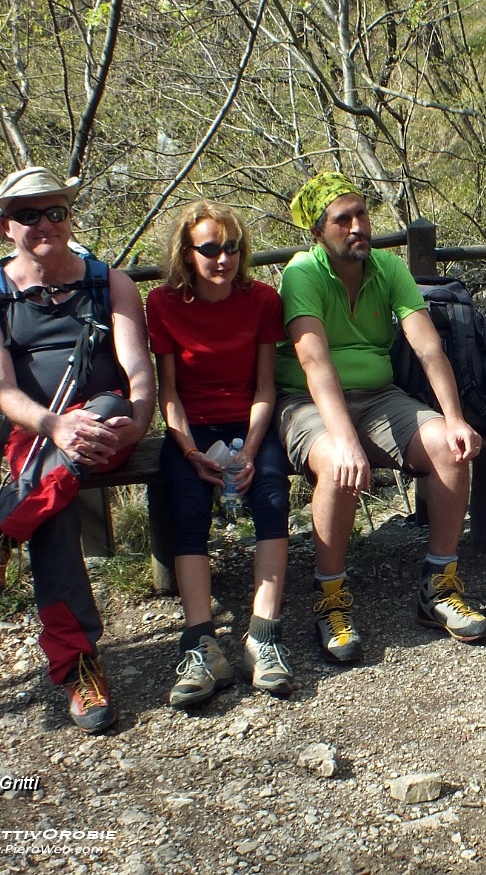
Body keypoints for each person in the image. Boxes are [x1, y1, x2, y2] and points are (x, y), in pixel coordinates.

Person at [0, 167, 155, 733]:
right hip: (33, 437)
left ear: (69, 215)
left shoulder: (108, 283)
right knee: (52, 511)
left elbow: (136, 366)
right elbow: (1, 390)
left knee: (105, 409)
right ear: (4, 227)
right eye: (28, 215)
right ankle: (78, 666)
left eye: (55, 212)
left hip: (106, 426)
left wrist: (138, 421)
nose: (45, 224)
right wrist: (53, 426)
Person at [275, 172, 486, 663]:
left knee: (447, 447)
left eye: (362, 214)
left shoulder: (389, 268)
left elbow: (428, 346)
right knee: (334, 461)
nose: (357, 226)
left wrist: (454, 418)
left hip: (379, 396)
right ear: (317, 231)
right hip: (306, 401)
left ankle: (438, 586)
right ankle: (329, 600)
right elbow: (314, 362)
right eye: (341, 218)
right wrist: (346, 441)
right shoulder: (302, 274)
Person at [146, 202, 293, 707]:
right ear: (186, 254)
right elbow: (169, 393)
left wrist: (251, 451)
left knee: (272, 497)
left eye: (231, 247)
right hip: (191, 427)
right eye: (210, 248)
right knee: (185, 509)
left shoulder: (261, 300)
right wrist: (189, 451)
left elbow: (265, 387)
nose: (223, 258)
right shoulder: (162, 304)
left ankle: (262, 636)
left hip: (248, 420)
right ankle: (201, 643)